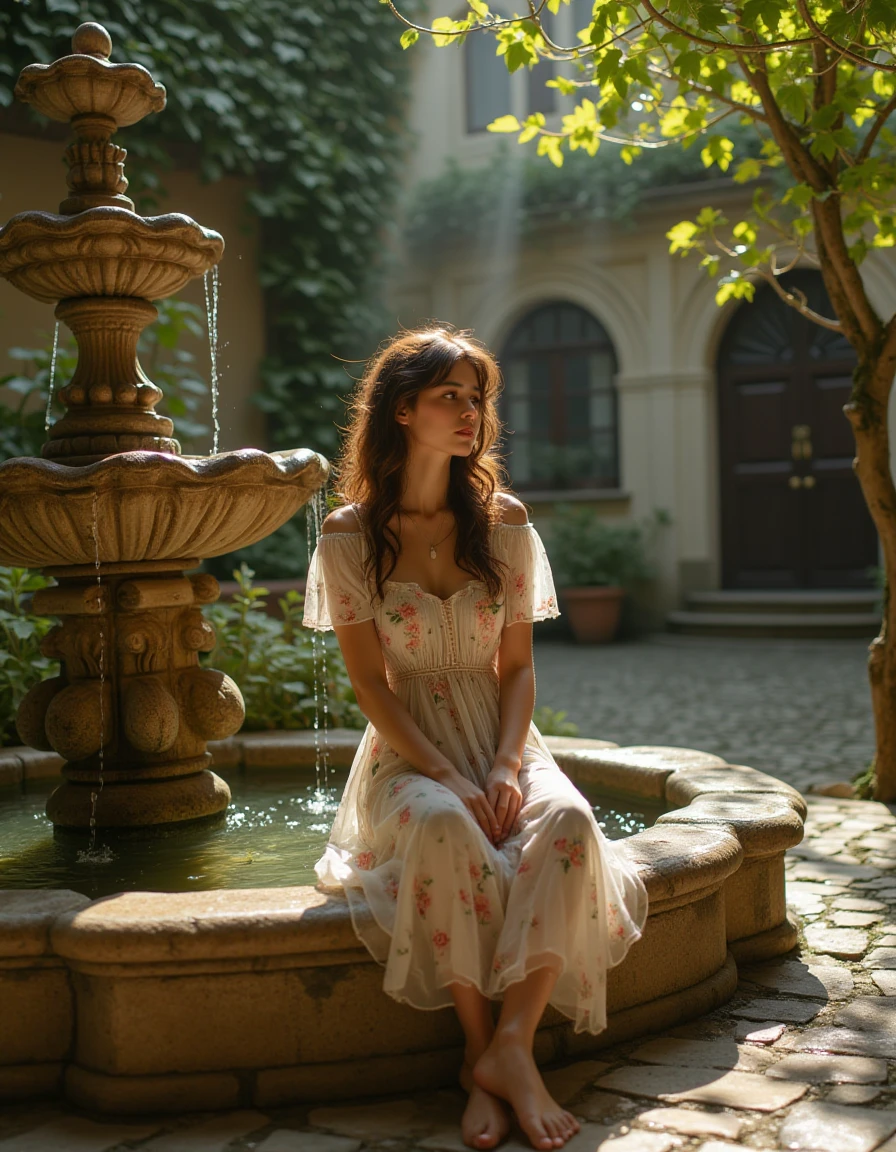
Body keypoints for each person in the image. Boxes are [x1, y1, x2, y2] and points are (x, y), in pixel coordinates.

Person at [302, 325, 648, 1151]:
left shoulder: (506, 522)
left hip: (501, 737)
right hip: (407, 748)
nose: (471, 414)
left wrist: (501, 763)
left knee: (566, 825)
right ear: (402, 411)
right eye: (449, 397)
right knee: (448, 824)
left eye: (476, 398)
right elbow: (370, 685)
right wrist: (444, 774)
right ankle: (474, 1049)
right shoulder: (350, 534)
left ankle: (511, 1049)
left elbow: (520, 668)